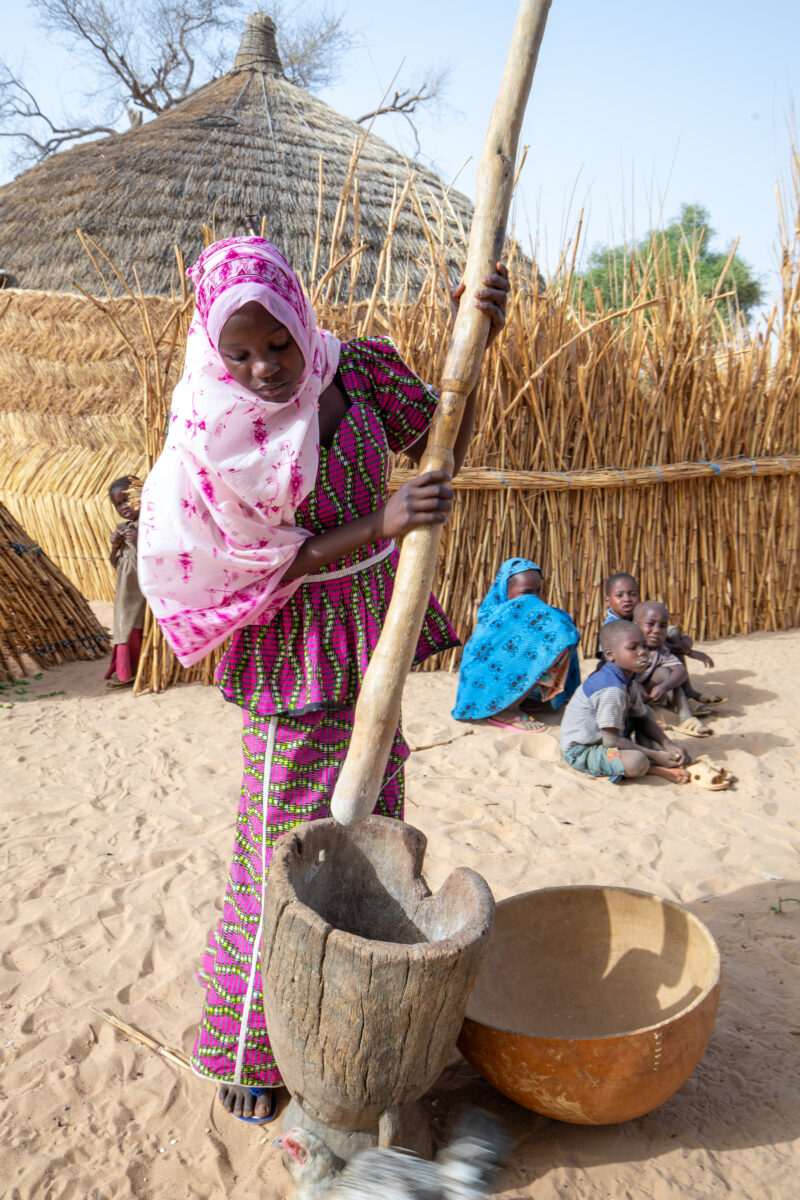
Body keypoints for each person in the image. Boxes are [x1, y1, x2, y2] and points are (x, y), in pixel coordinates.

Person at [137, 237, 509, 1124]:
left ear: (304, 320)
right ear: (216, 350)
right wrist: (379, 524)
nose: (265, 368)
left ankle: (354, 1025)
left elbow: (442, 434)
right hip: (293, 655)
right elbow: (240, 560)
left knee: (375, 836)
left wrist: (478, 334)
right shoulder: (215, 430)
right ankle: (247, 1048)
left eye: (280, 345)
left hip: (370, 639)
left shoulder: (363, 372)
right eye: (243, 352)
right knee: (279, 854)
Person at [451, 558, 580, 732]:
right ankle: (506, 711)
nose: (533, 600)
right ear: (506, 592)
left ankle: (524, 699)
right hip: (486, 691)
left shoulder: (539, 623)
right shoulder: (494, 622)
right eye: (526, 593)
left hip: (512, 686)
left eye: (538, 592)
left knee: (562, 629)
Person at [560, 619, 689, 783]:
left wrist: (669, 746)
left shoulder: (628, 679)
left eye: (644, 646)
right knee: (636, 761)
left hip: (607, 736)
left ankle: (655, 757)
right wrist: (657, 755)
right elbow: (611, 740)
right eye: (633, 648)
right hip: (585, 750)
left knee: (646, 713)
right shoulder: (611, 689)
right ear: (610, 654)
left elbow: (642, 719)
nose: (642, 652)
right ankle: (653, 766)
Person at [633, 601, 712, 736]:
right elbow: (614, 674)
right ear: (635, 626)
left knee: (665, 672)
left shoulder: (660, 649)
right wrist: (634, 685)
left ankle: (686, 717)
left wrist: (665, 686)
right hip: (626, 694)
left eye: (663, 626)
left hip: (645, 694)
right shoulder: (628, 648)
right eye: (650, 624)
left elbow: (680, 671)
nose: (657, 630)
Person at [105, 475, 146, 689]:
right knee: (123, 628)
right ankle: (123, 670)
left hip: (140, 593)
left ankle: (127, 672)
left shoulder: (149, 527)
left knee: (132, 629)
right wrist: (115, 546)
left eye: (126, 500)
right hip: (124, 591)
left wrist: (138, 541)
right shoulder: (124, 527)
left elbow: (155, 562)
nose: (124, 507)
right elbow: (115, 563)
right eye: (118, 504)